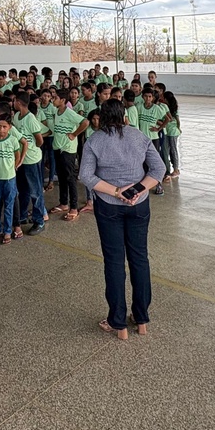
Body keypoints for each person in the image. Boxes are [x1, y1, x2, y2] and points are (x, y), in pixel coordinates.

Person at [80, 99, 163, 340]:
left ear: (102, 117)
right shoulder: (138, 136)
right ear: (124, 115)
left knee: (114, 262)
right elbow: (158, 171)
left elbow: (85, 175)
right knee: (139, 258)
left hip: (109, 207)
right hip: (139, 205)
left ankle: (118, 323)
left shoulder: (95, 140)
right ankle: (141, 318)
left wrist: (117, 191)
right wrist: (137, 189)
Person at [11, 93, 46, 235]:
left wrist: (32, 148)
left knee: (35, 191)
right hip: (21, 160)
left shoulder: (30, 118)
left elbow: (40, 140)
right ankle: (23, 215)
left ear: (19, 102)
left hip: (31, 159)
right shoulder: (16, 117)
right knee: (23, 190)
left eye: (14, 101)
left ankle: (39, 220)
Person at [51, 89, 88, 220]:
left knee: (70, 178)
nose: (52, 99)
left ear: (62, 100)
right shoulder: (57, 112)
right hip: (58, 148)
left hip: (68, 150)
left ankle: (73, 207)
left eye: (55, 97)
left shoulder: (69, 113)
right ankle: (63, 203)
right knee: (61, 177)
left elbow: (85, 122)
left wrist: (74, 134)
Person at [0, 114, 24, 243]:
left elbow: (17, 154)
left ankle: (8, 231)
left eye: (4, 127)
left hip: (9, 179)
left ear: (9, 127)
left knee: (9, 205)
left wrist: (15, 166)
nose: (1, 129)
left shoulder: (13, 140)